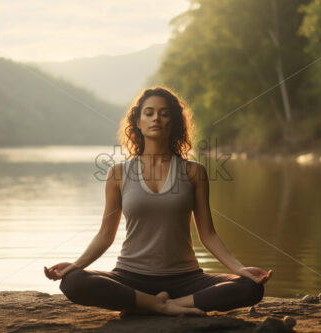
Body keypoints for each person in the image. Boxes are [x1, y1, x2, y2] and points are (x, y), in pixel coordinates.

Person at [44, 86, 273, 317]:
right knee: (72, 282)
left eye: (164, 113)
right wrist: (75, 266)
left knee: (251, 287)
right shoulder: (118, 173)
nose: (156, 118)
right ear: (138, 122)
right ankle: (160, 305)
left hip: (186, 279)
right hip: (129, 277)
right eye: (149, 112)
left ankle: (160, 305)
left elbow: (208, 235)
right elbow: (105, 235)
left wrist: (239, 269)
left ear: (173, 123)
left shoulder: (195, 172)